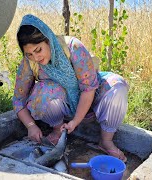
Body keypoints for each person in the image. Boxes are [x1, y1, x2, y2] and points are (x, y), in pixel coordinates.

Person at [13, 14, 129, 162]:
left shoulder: (73, 47)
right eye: (29, 54)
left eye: (38, 50)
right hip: (62, 108)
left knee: (117, 87)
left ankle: (106, 141)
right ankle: (57, 130)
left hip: (90, 99)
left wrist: (75, 122)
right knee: (43, 91)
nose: (36, 58)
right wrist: (31, 126)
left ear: (48, 40)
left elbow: (88, 88)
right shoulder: (29, 63)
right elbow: (18, 100)